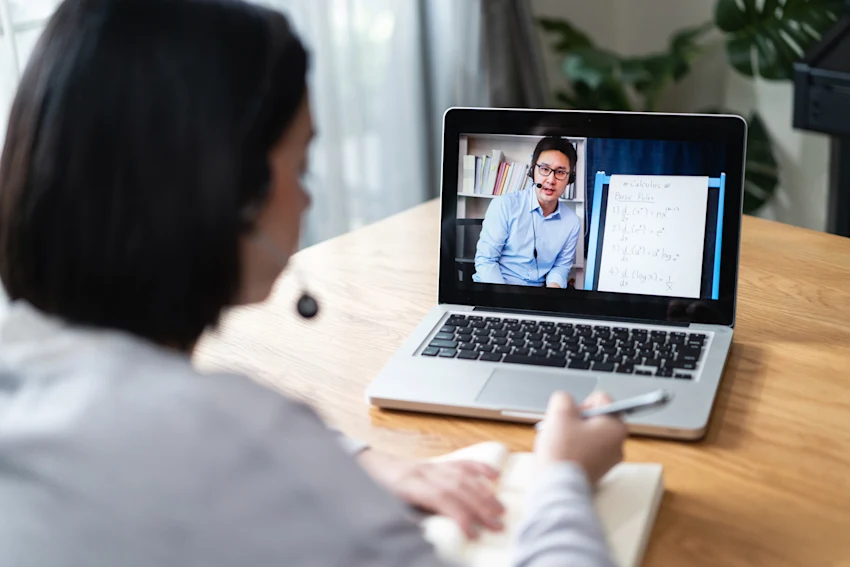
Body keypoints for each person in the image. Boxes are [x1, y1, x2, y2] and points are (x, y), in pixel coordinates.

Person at [0, 1, 626, 566]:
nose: (305, 198)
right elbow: (246, 452)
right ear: (233, 195)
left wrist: (359, 459)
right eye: (299, 166)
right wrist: (562, 477)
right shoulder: (244, 443)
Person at [473, 136, 582, 288]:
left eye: (560, 172)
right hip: (494, 291)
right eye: (544, 169)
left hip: (537, 297)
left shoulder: (572, 222)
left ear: (570, 178)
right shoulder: (505, 205)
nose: (551, 180)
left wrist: (551, 296)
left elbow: (561, 267)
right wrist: (506, 302)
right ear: (532, 171)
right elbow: (486, 261)